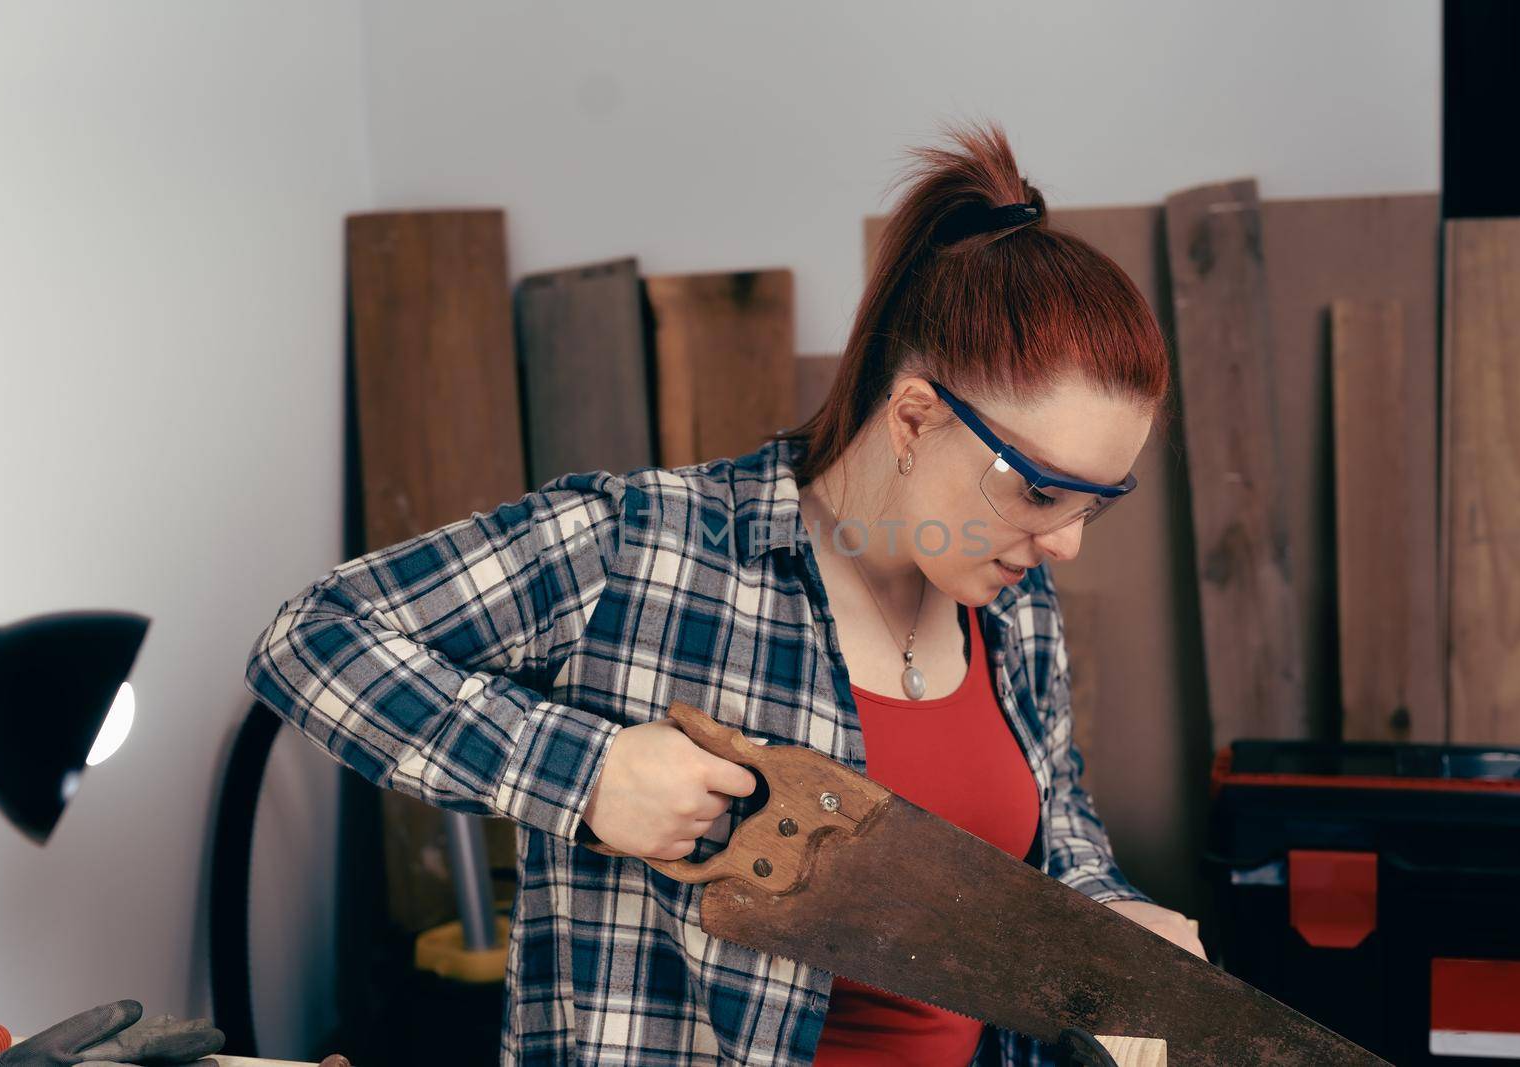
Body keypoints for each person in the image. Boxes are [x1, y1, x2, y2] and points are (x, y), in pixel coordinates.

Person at [243, 118, 1203, 1067]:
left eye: (1097, 504)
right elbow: (313, 636)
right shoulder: (647, 546)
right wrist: (588, 774)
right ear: (914, 417)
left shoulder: (1013, 603)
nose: (1067, 543)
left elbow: (1057, 831)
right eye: (1040, 491)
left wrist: (1118, 921)